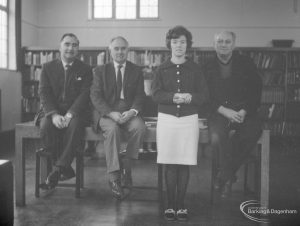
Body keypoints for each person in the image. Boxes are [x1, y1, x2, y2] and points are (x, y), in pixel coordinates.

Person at [152, 26, 209, 221]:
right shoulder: (161, 68)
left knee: (184, 163)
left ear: (188, 45)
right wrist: (173, 97)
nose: (178, 46)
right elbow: (155, 94)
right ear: (169, 44)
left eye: (182, 42)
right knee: (169, 163)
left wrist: (190, 97)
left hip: (188, 120)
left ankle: (181, 204)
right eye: (175, 42)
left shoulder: (196, 68)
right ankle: (170, 205)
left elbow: (204, 96)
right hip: (167, 119)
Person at [203, 31, 262, 198]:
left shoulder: (246, 63)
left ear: (234, 45)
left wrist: (244, 111)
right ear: (214, 45)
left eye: (227, 42)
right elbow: (204, 96)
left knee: (252, 132)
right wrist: (223, 110)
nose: (223, 44)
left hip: (244, 112)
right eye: (219, 41)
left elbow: (256, 91)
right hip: (219, 111)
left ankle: (223, 176)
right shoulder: (206, 66)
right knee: (217, 136)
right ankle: (227, 177)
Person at [90, 36, 146, 200]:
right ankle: (114, 178)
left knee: (140, 128)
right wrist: (110, 113)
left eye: (123, 48)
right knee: (113, 130)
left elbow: (140, 96)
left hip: (128, 112)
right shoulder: (99, 71)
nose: (120, 51)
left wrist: (133, 111)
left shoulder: (136, 70)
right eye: (116, 48)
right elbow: (95, 97)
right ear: (110, 51)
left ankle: (126, 169)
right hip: (107, 113)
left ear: (128, 50)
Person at [39, 33, 93, 189]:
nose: (71, 48)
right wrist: (54, 114)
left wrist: (69, 114)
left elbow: (85, 95)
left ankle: (57, 169)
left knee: (75, 125)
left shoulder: (86, 69)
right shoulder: (47, 68)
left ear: (78, 49)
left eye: (74, 45)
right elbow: (44, 93)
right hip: (52, 111)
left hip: (76, 112)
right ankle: (65, 167)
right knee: (45, 126)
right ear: (60, 47)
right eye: (67, 44)